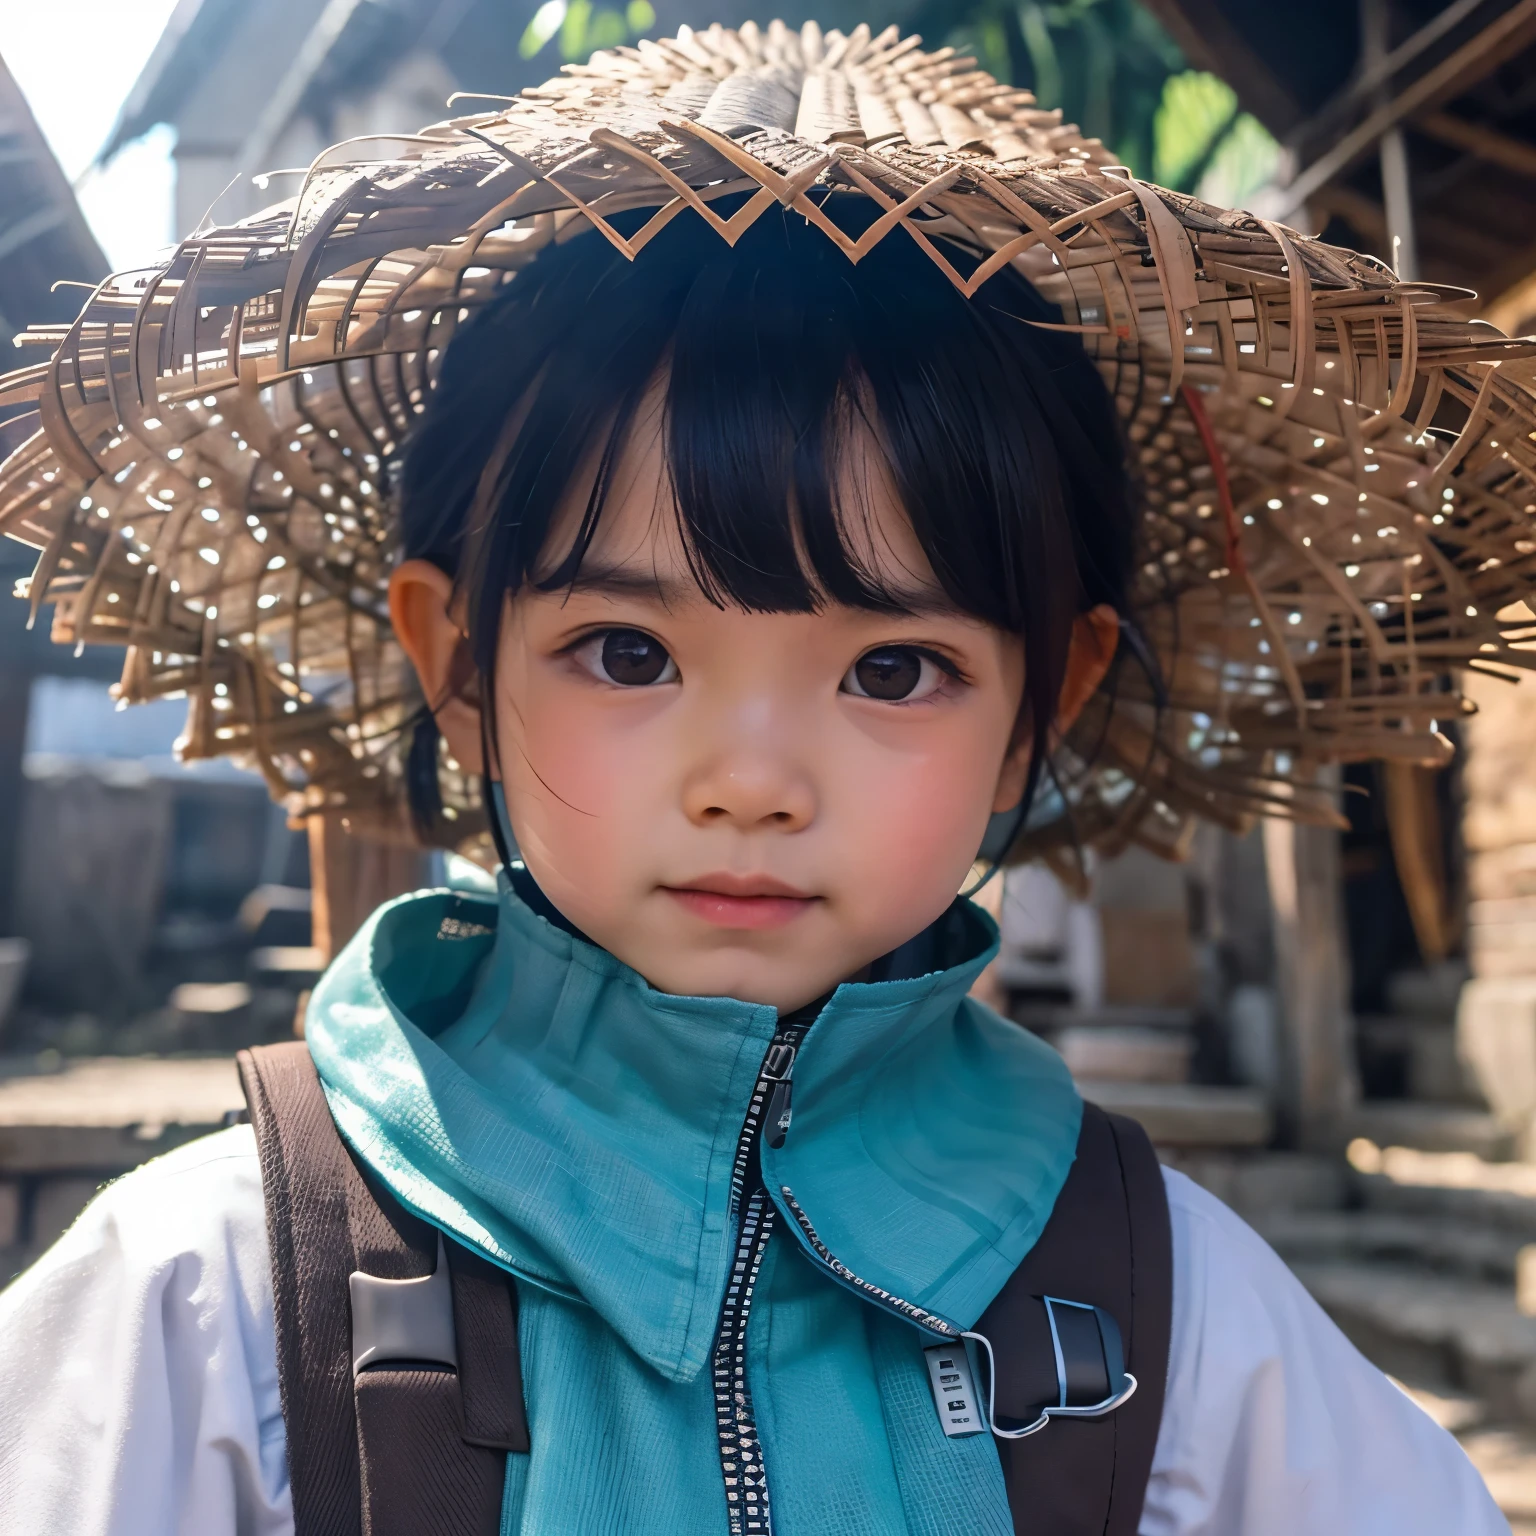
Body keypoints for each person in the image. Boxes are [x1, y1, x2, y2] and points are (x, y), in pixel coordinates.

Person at [0, 20, 1522, 1534]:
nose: (749, 783)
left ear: (1041, 697)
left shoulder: (1164, 1318)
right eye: (625, 651)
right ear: (456, 660)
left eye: (891, 671)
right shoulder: (221, 1314)